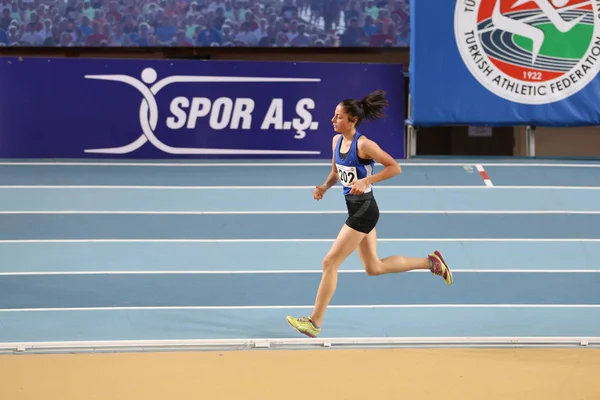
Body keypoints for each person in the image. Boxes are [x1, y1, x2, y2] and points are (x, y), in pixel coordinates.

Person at [285, 89, 453, 338]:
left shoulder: (364, 144)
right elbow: (336, 171)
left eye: (339, 116)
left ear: (353, 120)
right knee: (373, 267)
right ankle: (431, 263)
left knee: (329, 262)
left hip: (364, 211)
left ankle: (314, 322)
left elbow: (394, 168)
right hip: (358, 208)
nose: (333, 120)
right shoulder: (336, 142)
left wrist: (367, 180)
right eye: (334, 115)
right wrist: (324, 186)